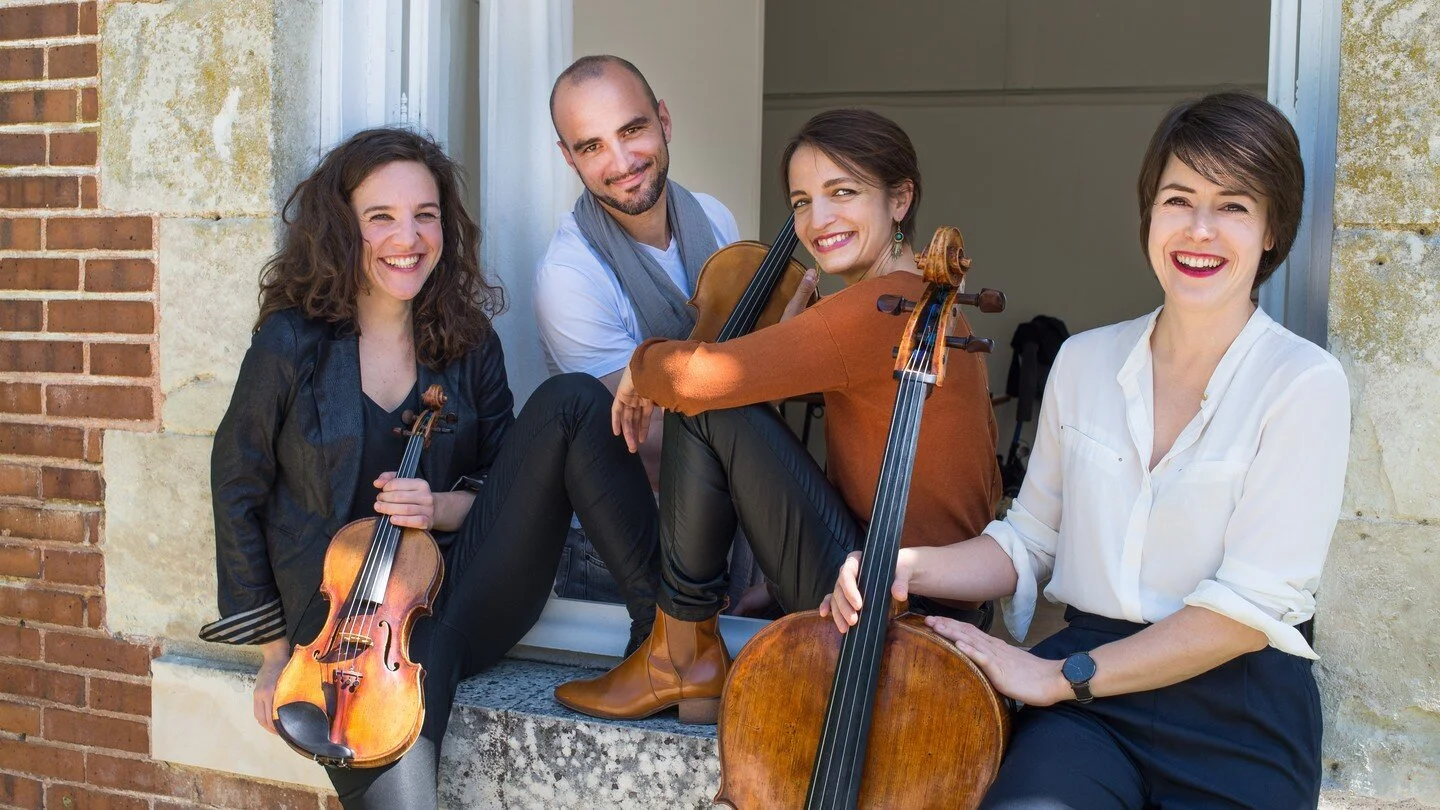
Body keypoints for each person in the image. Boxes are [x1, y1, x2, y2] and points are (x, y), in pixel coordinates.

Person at [821, 92, 1349, 809]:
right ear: (1148, 213)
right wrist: (901, 564)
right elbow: (1028, 541)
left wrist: (1059, 674)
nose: (1199, 230)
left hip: (1238, 711)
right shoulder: (1085, 360)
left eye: (1232, 206)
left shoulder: (1303, 383)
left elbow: (1242, 612)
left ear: (1271, 229)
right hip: (1094, 718)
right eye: (1177, 199)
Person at [199, 128, 660, 809]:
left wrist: (440, 508)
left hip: (458, 597)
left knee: (573, 401)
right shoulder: (289, 342)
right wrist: (273, 656)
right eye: (380, 217)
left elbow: (508, 489)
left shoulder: (467, 340)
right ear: (341, 227)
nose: (406, 237)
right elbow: (236, 486)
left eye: (425, 214)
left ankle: (666, 634)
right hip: (342, 633)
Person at [553, 108, 1002, 724]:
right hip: (930, 596)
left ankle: (678, 652)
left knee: (708, 409)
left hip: (894, 609)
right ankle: (682, 652)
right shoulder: (925, 304)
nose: (817, 221)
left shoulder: (882, 308)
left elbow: (700, 379)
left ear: (900, 200)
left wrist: (643, 364)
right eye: (801, 201)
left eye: (842, 193)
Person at [538, 54, 802, 609]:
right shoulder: (570, 277)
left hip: (734, 526)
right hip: (629, 543)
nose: (621, 161)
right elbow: (646, 441)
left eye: (633, 130)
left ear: (664, 120)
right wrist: (775, 369)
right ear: (569, 158)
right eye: (591, 147)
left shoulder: (713, 219)